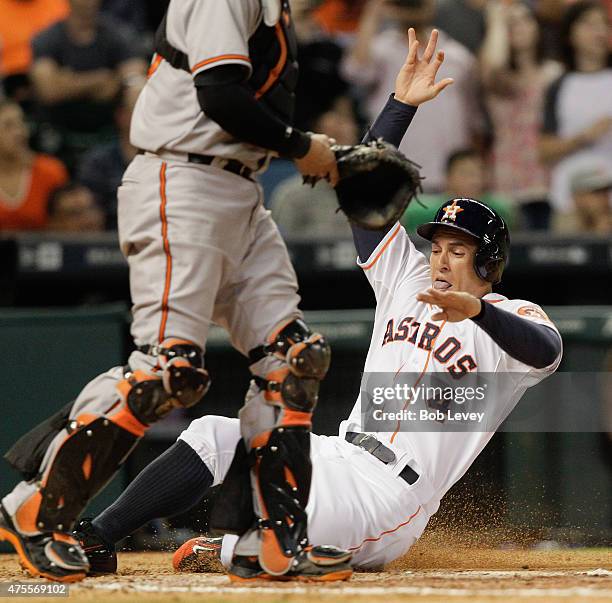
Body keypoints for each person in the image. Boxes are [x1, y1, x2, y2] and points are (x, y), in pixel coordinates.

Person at [73, 29, 561, 580]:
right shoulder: (404, 275)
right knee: (214, 434)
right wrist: (399, 106)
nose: (441, 258)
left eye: (459, 250)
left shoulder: (511, 319)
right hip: (336, 452)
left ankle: (234, 551)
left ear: (488, 262)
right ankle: (96, 537)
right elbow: (363, 189)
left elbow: (546, 350)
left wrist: (479, 312)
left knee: (275, 537)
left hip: (390, 495)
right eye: (439, 245)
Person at [0, 0, 350, 584]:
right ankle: (37, 509)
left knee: (294, 359)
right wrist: (304, 146)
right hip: (182, 182)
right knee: (171, 371)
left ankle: (272, 542)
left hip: (241, 191)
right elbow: (220, 94)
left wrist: (317, 150)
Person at [341, 0, 485, 192]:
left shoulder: (457, 55)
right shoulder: (380, 49)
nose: (412, 6)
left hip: (449, 177)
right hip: (395, 171)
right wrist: (373, 12)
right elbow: (356, 72)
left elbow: (474, 119)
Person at [30, 0, 147, 171]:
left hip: (109, 130)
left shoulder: (119, 34)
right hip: (59, 132)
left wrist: (68, 81)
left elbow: (135, 78)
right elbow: (48, 90)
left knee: (138, 92)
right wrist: (101, 79)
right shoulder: (48, 38)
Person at [480, 0, 563, 230]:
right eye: (511, 23)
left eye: (525, 19)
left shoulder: (554, 72)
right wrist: (497, 20)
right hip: (506, 179)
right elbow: (494, 65)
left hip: (550, 177)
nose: (518, 27)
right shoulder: (499, 78)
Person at [538, 1, 612, 218]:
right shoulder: (559, 85)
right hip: (570, 194)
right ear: (570, 34)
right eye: (589, 25)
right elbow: (544, 150)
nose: (599, 32)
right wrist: (583, 138)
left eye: (604, 25)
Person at [401, 148, 516, 232]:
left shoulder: (501, 209)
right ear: (448, 177)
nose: (474, 180)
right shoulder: (417, 209)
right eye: (466, 173)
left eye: (478, 173)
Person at [77, 85, 141, 229]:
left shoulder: (172, 159)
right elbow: (90, 216)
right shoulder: (98, 162)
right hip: (108, 243)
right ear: (122, 116)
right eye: (142, 107)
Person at [0, 100, 69, 231]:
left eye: (21, 123)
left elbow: (66, 226)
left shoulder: (51, 171)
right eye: (8, 126)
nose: (19, 132)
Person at [553, 164, 612, 234]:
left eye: (605, 192)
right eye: (596, 192)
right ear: (578, 196)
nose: (604, 198)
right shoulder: (562, 223)